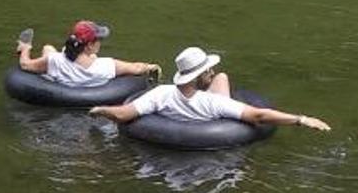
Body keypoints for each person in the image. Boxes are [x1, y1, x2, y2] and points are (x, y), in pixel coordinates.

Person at [94, 45, 331, 134]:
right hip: (210, 123)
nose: (212, 73)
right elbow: (259, 115)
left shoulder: (161, 93)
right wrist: (301, 119)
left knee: (222, 77)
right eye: (209, 71)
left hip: (178, 117)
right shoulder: (215, 104)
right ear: (200, 75)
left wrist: (100, 110)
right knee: (223, 80)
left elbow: (123, 114)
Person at [15, 20, 162, 87]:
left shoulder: (55, 61)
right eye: (99, 40)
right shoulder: (106, 66)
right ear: (90, 45)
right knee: (93, 57)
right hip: (88, 84)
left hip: (63, 76)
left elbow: (25, 65)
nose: (100, 43)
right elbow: (136, 68)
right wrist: (151, 67)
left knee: (48, 48)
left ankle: (24, 45)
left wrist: (25, 48)